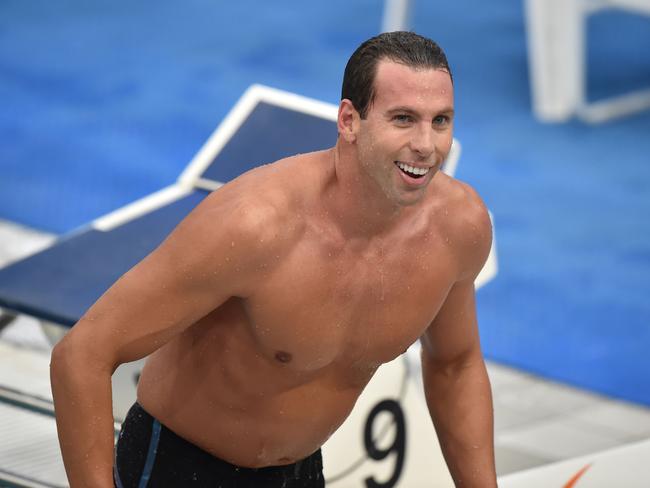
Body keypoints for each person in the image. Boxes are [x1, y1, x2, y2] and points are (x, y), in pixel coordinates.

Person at [50, 31, 497, 487]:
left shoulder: (459, 228)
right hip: (178, 467)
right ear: (349, 121)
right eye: (403, 119)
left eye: (440, 121)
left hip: (300, 473)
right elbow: (81, 354)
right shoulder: (255, 227)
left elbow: (454, 364)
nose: (427, 145)